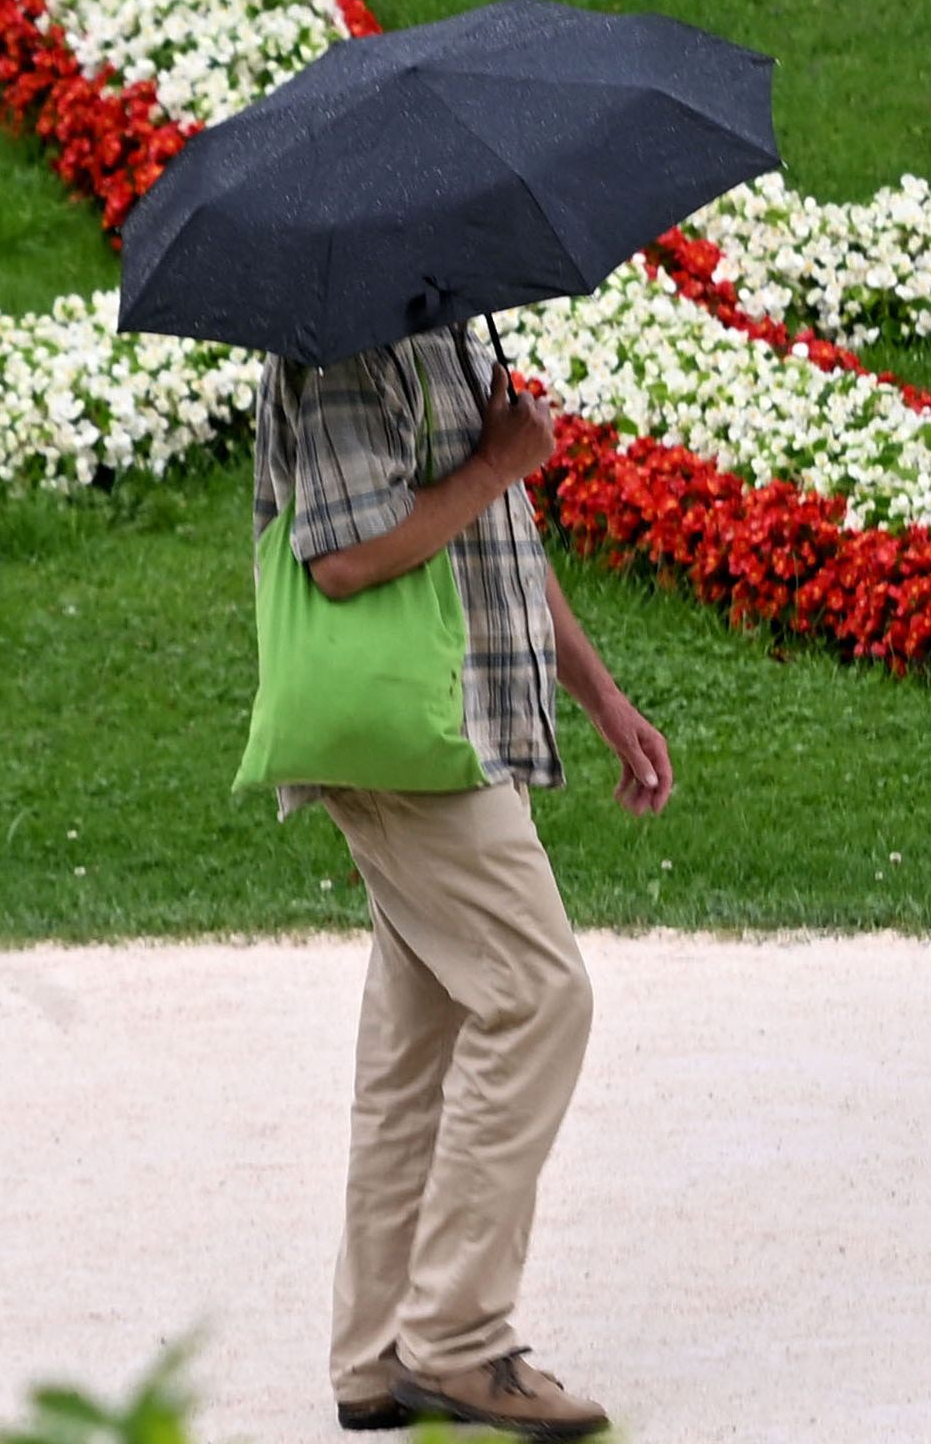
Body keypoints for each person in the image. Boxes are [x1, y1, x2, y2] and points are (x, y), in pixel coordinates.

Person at [254, 322, 674, 1438]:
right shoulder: (345, 352)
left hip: (455, 729)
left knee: (417, 1044)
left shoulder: (444, 332)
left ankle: (377, 1350)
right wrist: (497, 462)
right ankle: (458, 1336)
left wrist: (602, 696)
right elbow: (343, 557)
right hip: (415, 745)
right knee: (540, 996)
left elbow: (498, 532)